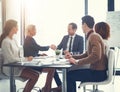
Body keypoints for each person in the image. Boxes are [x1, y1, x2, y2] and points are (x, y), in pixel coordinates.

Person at [65, 15, 108, 92]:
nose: (81, 27)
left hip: (98, 74)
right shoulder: (92, 35)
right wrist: (73, 57)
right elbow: (87, 54)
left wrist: (77, 62)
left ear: (84, 24)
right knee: (70, 73)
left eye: (82, 25)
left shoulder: (93, 36)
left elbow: (96, 56)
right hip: (98, 72)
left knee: (69, 75)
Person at [0, 19, 39, 92]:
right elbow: (10, 59)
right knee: (34, 76)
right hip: (10, 68)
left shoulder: (13, 40)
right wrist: (26, 59)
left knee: (36, 74)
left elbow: (18, 55)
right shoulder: (5, 42)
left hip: (17, 66)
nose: (18, 28)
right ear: (13, 28)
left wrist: (25, 59)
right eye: (17, 26)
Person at [51, 22, 84, 92]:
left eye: (69, 29)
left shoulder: (80, 38)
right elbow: (59, 48)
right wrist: (55, 48)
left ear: (75, 30)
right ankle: (60, 85)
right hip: (64, 59)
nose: (67, 31)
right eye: (67, 29)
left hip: (73, 60)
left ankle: (69, 89)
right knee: (52, 68)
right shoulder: (65, 37)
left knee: (68, 72)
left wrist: (70, 54)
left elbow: (81, 52)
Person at [23, 24, 56, 92]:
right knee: (52, 69)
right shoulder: (29, 39)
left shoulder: (29, 39)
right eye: (34, 30)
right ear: (30, 30)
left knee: (52, 68)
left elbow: (31, 52)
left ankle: (47, 88)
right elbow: (38, 48)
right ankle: (47, 89)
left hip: (32, 62)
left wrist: (39, 55)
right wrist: (49, 46)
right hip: (31, 64)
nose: (36, 31)